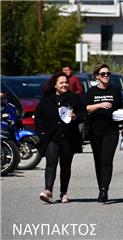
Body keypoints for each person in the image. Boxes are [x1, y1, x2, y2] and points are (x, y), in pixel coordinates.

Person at [35, 72, 85, 203]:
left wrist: (76, 117)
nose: (64, 85)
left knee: (66, 166)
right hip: (52, 137)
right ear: (55, 85)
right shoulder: (46, 100)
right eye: (61, 82)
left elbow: (83, 114)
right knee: (51, 164)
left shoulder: (74, 98)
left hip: (69, 137)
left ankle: (64, 193)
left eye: (66, 82)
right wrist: (42, 134)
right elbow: (38, 118)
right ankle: (48, 191)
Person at [85, 64, 123, 203]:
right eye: (103, 74)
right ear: (97, 76)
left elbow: (121, 109)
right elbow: (86, 108)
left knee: (106, 160)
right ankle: (100, 186)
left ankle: (104, 190)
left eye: (108, 73)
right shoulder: (91, 92)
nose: (106, 76)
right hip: (95, 131)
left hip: (111, 131)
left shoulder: (115, 90)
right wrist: (100, 105)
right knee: (98, 161)